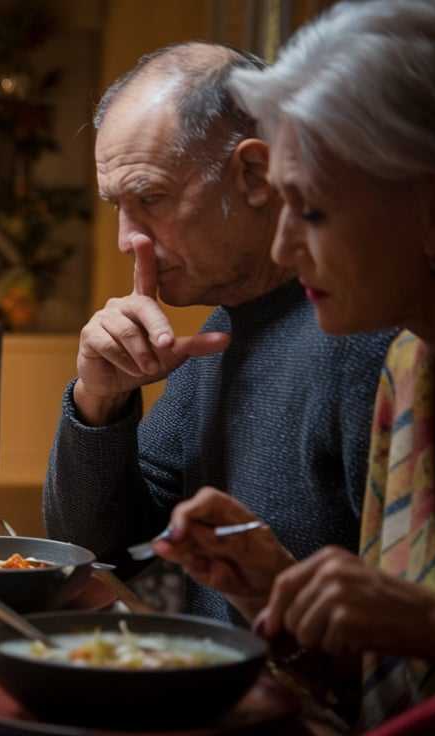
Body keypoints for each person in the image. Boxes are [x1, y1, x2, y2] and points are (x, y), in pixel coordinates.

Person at [153, 0, 435, 727]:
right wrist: (279, 597)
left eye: (311, 210)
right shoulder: (409, 367)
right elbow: (386, 689)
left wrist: (431, 623)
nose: (283, 247)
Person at [42, 41, 396, 623]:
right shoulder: (226, 326)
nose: (128, 240)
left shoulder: (367, 338)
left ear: (254, 175)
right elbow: (101, 551)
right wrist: (99, 402)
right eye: (117, 207)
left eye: (150, 198)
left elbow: (404, 641)